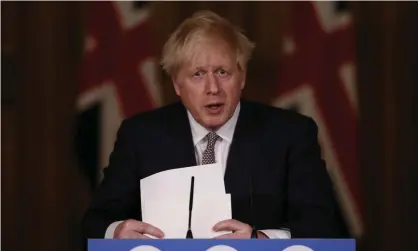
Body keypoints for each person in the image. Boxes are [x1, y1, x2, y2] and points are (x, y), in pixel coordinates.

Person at [81, 10, 344, 240]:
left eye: (222, 72)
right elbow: (95, 222)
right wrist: (116, 231)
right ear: (177, 85)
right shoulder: (141, 136)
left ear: (241, 77)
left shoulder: (291, 134)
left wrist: (262, 240)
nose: (213, 89)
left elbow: (323, 226)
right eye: (197, 74)